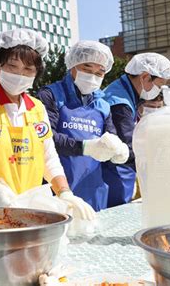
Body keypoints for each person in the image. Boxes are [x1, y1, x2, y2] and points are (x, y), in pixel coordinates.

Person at [0, 29, 95, 220]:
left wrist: (64, 192)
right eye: (12, 66)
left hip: (29, 210)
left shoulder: (37, 108)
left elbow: (49, 158)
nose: (20, 74)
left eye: (28, 69)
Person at [37, 41, 128, 212]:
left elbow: (111, 137)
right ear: (72, 65)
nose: (93, 76)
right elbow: (46, 139)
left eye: (99, 72)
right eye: (87, 69)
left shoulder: (102, 104)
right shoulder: (50, 95)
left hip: (94, 190)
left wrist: (118, 150)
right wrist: (85, 147)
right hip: (58, 190)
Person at [103, 53, 170, 207]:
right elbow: (129, 146)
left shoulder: (124, 92)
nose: (159, 90)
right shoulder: (119, 104)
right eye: (159, 85)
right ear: (145, 77)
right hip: (115, 175)